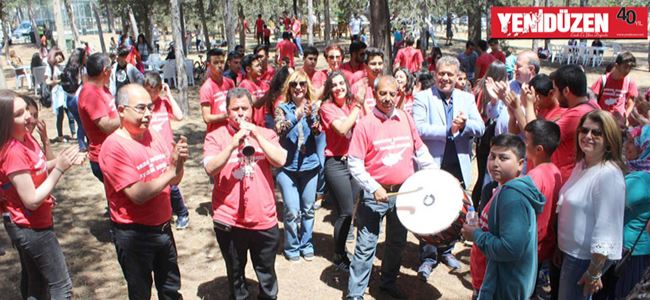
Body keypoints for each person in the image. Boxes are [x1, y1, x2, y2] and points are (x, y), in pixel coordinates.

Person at [346, 75, 437, 300]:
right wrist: (373, 186)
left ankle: (387, 285)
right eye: (382, 93)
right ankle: (355, 294)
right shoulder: (365, 124)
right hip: (374, 196)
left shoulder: (406, 118)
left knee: (396, 243)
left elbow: (421, 151)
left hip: (404, 194)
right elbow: (354, 162)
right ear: (374, 95)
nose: (387, 98)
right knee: (366, 246)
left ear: (399, 95)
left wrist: (437, 176)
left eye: (392, 94)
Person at [99, 84, 188, 300]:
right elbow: (137, 194)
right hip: (134, 235)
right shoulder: (114, 147)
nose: (148, 114)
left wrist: (179, 164)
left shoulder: (154, 136)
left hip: (163, 229)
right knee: (140, 293)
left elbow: (173, 180)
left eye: (150, 107)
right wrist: (171, 169)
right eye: (141, 108)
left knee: (170, 288)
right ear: (121, 110)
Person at [203, 88, 287, 300]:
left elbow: (280, 160)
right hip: (230, 220)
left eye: (245, 108)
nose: (240, 113)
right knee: (235, 273)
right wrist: (232, 145)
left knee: (266, 273)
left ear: (252, 109)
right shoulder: (215, 136)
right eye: (235, 109)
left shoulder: (266, 133)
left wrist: (256, 134)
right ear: (227, 111)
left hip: (263, 218)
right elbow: (210, 168)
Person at [0, 89, 84, 300]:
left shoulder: (26, 138)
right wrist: (59, 170)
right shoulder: (12, 152)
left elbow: (37, 167)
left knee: (37, 284)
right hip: (30, 227)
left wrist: (61, 161)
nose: (28, 116)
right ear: (5, 121)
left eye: (26, 110)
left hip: (36, 222)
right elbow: (32, 200)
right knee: (61, 286)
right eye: (19, 114)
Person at [412, 56, 485, 280]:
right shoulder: (423, 97)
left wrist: (464, 126)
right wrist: (448, 129)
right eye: (441, 74)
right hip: (432, 164)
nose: (445, 78)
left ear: (457, 76)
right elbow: (419, 128)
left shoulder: (466, 97)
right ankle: (428, 256)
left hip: (458, 165)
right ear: (435, 74)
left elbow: (480, 127)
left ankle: (446, 250)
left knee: (453, 212)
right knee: (429, 213)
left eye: (450, 75)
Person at [462, 133, 545, 299]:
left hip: (502, 289)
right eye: (492, 157)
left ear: (521, 164)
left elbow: (510, 248)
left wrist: (476, 235)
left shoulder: (512, 197)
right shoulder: (501, 188)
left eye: (504, 158)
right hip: (490, 281)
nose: (495, 163)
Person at [556, 110, 626, 299]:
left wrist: (594, 270)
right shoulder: (583, 165)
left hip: (583, 260)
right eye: (584, 130)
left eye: (596, 133)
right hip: (569, 254)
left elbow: (606, 228)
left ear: (609, 139)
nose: (588, 136)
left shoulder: (608, 176)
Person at [319, 70, 367, 271]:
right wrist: (358, 104)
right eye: (334, 85)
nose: (338, 88)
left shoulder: (352, 105)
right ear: (329, 89)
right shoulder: (327, 108)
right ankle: (339, 254)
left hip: (355, 162)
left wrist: (361, 104)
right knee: (346, 212)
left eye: (341, 84)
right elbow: (342, 128)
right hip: (336, 164)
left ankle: (343, 251)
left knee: (350, 212)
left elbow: (367, 125)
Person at [273, 71, 321, 262]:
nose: (298, 88)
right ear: (289, 88)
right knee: (292, 210)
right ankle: (292, 246)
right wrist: (295, 116)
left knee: (308, 209)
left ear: (307, 86)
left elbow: (318, 132)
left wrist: (310, 118)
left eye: (302, 84)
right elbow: (279, 129)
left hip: (309, 166)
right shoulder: (281, 108)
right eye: (294, 85)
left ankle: (306, 243)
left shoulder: (313, 107)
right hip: (287, 168)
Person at [604, 125, 650, 298]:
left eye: (632, 142)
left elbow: (609, 201)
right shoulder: (639, 171)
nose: (626, 146)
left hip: (630, 253)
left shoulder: (642, 178)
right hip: (634, 251)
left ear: (644, 146)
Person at [143, 71, 190, 230]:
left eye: (155, 90)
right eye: (149, 90)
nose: (153, 94)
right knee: (158, 184)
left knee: (172, 184)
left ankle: (182, 213)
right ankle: (166, 211)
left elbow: (179, 116)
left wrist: (169, 95)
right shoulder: (143, 108)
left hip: (168, 152)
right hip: (151, 151)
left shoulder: (163, 103)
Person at [522, 120, 563, 298]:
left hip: (529, 247)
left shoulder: (534, 176)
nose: (523, 143)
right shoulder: (555, 171)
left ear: (539, 149)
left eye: (526, 140)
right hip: (542, 246)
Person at [550, 64, 600, 183]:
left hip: (566, 180)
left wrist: (526, 106)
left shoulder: (576, 114)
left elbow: (539, 137)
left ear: (566, 91)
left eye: (555, 90)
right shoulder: (593, 105)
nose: (554, 95)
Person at [78, 53, 120, 182]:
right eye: (111, 68)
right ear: (105, 71)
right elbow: (106, 126)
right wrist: (126, 117)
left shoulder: (102, 89)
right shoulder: (90, 94)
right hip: (104, 156)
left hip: (113, 152)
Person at [590, 51, 638, 127]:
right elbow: (592, 100)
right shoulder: (603, 80)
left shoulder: (630, 83)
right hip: (603, 122)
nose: (628, 71)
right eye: (625, 67)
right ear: (617, 65)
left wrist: (626, 116)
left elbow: (631, 102)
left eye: (630, 68)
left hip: (619, 124)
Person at [200, 48, 236, 133]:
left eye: (222, 62)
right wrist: (226, 115)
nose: (220, 65)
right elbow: (207, 118)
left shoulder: (230, 83)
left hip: (231, 131)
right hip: (216, 133)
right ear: (208, 65)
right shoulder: (206, 88)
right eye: (216, 63)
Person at [46, 48, 76, 144]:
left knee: (70, 114)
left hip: (65, 93)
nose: (59, 57)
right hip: (56, 94)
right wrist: (58, 81)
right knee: (60, 115)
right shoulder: (49, 67)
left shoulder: (62, 66)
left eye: (60, 55)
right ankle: (60, 135)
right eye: (57, 55)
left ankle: (74, 133)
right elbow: (47, 81)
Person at [59, 48, 88, 152]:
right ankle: (83, 144)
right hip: (78, 98)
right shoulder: (82, 69)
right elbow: (86, 84)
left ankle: (82, 143)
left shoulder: (67, 69)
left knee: (79, 122)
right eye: (85, 56)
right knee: (84, 122)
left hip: (69, 100)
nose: (86, 58)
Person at [239, 54, 271, 127]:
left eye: (260, 65)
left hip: (264, 125)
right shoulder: (244, 85)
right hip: (251, 127)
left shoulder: (263, 84)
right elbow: (257, 104)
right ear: (248, 69)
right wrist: (270, 91)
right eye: (257, 66)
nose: (260, 68)